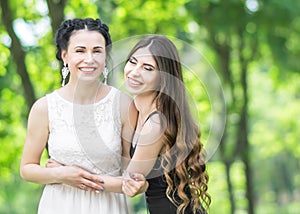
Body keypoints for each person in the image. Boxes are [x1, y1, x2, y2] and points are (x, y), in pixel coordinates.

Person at [20, 18, 147, 214]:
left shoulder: (123, 104)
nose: (89, 59)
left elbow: (134, 175)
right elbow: (27, 168)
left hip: (108, 206)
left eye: (97, 51)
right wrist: (61, 174)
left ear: (105, 56)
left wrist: (136, 185)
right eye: (80, 51)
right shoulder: (44, 108)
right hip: (59, 205)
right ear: (65, 56)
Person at [121, 35, 211, 213]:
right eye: (133, 61)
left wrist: (68, 174)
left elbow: (128, 181)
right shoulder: (136, 112)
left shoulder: (156, 122)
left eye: (148, 68)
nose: (135, 72)